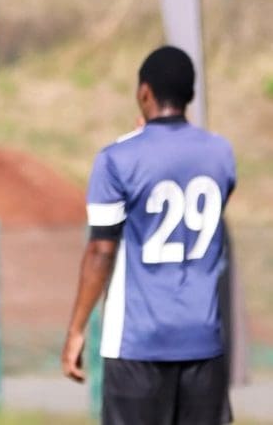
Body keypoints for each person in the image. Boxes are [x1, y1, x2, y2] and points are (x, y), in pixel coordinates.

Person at [61, 45, 236, 424]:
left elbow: (101, 252)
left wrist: (76, 330)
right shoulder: (221, 153)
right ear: (190, 95)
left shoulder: (117, 158)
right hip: (203, 341)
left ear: (144, 93)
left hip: (137, 344)